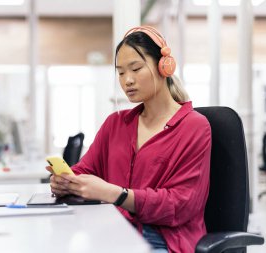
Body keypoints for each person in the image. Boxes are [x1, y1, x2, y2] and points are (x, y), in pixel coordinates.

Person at [47, 26, 211, 253]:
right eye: (121, 72)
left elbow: (181, 205)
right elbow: (85, 170)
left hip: (164, 238)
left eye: (136, 68)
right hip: (113, 229)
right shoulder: (115, 124)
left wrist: (115, 193)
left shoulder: (194, 126)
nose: (127, 81)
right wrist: (66, 182)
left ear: (164, 67)